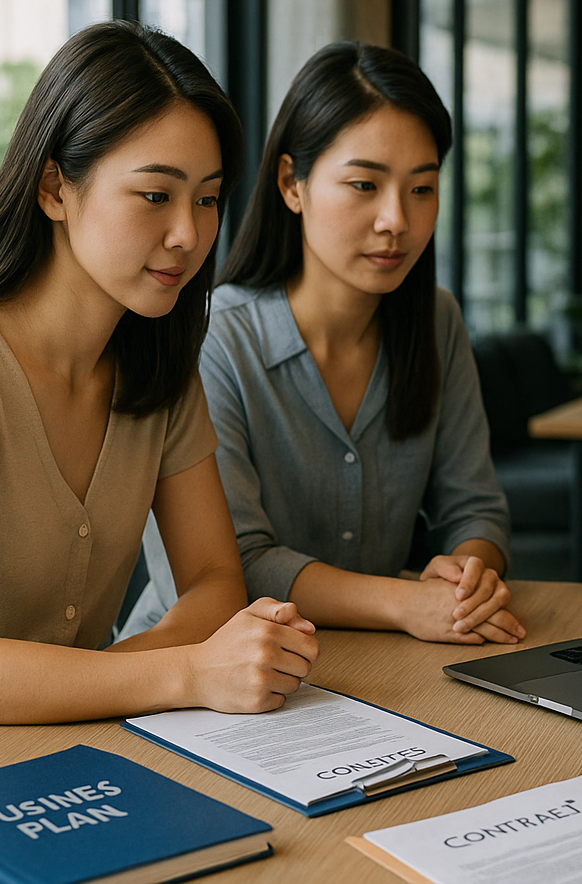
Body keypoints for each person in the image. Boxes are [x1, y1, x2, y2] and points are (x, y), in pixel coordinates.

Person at [0, 22, 319, 799]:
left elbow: (213, 579)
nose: (188, 234)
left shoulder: (160, 366)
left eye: (207, 199)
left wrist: (147, 673)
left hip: (71, 726)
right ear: (53, 189)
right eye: (153, 195)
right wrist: (186, 669)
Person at [123, 41, 520, 646]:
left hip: (366, 663)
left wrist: (467, 579)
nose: (397, 220)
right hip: (196, 670)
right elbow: (236, 564)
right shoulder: (215, 337)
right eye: (364, 185)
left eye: (422, 189)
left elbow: (475, 507)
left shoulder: (435, 321)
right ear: (292, 184)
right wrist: (407, 603)